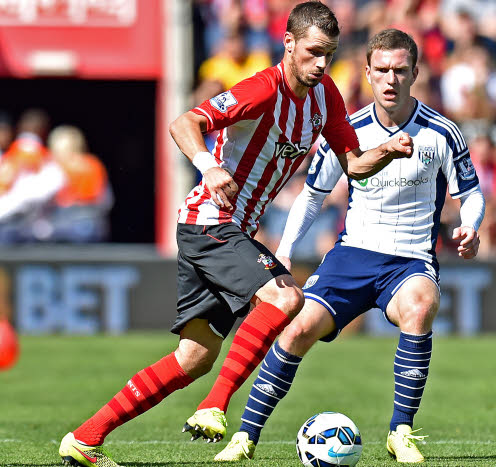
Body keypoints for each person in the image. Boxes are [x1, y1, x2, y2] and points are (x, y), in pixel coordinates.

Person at [58, 3, 413, 466]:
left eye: (328, 53)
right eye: (313, 52)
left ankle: (85, 438)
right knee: (286, 296)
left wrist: (386, 150)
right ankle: (214, 406)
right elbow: (184, 123)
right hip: (210, 220)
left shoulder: (326, 95)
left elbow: (356, 165)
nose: (321, 63)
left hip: (228, 229)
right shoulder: (261, 88)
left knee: (194, 357)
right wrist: (208, 165)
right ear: (288, 44)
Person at [195, 28, 485, 464]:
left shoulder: (443, 132)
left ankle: (401, 432)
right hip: (352, 256)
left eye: (400, 70)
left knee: (420, 305)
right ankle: (245, 437)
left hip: (410, 259)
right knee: (296, 328)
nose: (390, 79)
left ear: (415, 74)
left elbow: (472, 192)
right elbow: (312, 196)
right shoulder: (346, 130)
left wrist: (470, 224)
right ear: (366, 73)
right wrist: (286, 250)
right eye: (381, 70)